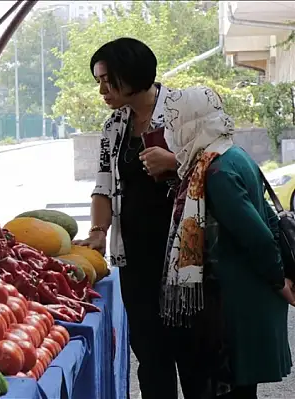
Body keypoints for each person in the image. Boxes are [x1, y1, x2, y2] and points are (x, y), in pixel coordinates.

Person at [72, 37, 204, 399]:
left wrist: (175, 162)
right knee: (150, 354)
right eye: (98, 80)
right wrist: (99, 231)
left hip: (188, 257)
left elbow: (225, 166)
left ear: (130, 75)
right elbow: (103, 186)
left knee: (195, 354)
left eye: (106, 80)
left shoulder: (187, 108)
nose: (101, 89)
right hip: (137, 259)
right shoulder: (114, 126)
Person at [161, 86, 292, 399]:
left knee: (231, 391)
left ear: (193, 122)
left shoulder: (216, 171)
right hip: (237, 300)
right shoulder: (229, 153)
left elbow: (257, 235)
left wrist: (279, 281)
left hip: (236, 306)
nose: (169, 131)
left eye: (173, 121)